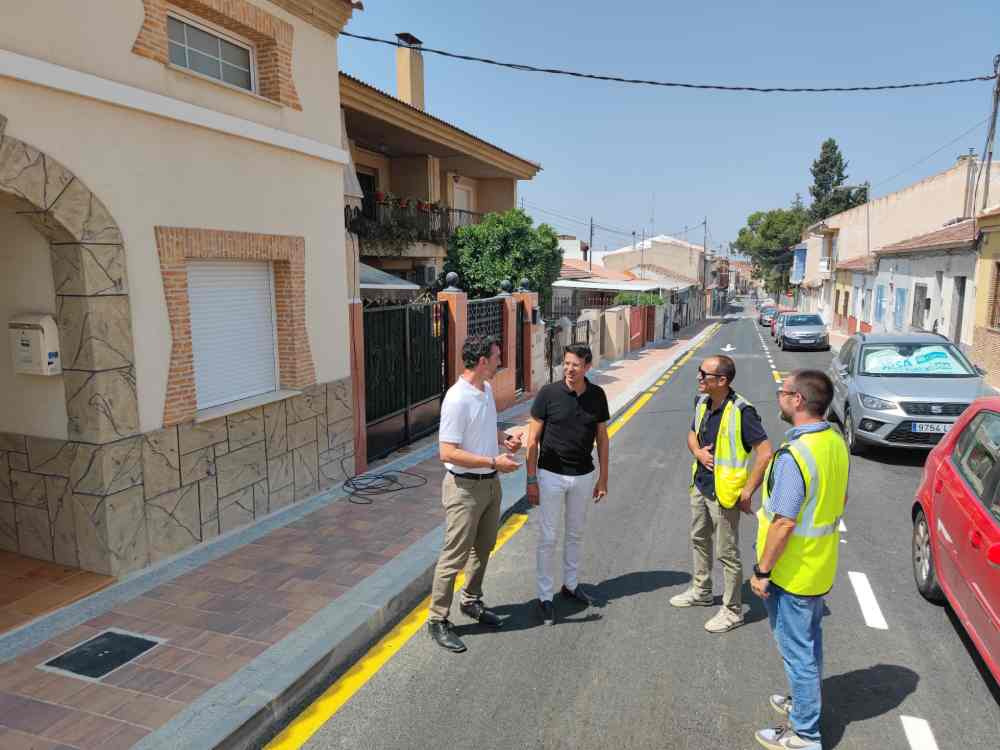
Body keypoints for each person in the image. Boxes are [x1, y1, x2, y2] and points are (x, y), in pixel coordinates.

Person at [751, 370, 848, 750]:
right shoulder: (834, 441)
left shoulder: (795, 456)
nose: (779, 396)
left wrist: (762, 570)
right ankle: (803, 702)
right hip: (818, 566)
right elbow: (840, 499)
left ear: (798, 400)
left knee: (797, 653)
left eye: (783, 391)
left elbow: (784, 522)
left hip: (792, 572)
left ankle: (805, 733)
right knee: (809, 643)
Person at [428, 336, 523, 653]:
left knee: (484, 547)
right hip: (464, 490)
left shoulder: (486, 390)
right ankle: (437, 620)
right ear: (482, 361)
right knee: (454, 555)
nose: (500, 362)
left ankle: (470, 600)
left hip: (490, 485)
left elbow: (482, 430)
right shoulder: (457, 399)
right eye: (496, 357)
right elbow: (447, 452)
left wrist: (503, 438)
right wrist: (493, 462)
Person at [671, 355, 773, 633]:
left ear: (722, 380)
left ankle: (732, 610)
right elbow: (692, 434)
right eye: (699, 371)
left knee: (727, 553)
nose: (699, 377)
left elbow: (765, 453)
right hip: (700, 485)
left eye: (704, 374)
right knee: (699, 538)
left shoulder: (742, 411)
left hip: (726, 494)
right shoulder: (702, 402)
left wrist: (748, 491)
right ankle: (702, 590)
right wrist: (698, 452)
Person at [525, 343, 610, 625]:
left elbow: (602, 438)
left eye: (576, 364)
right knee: (548, 537)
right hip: (550, 474)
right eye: (567, 363)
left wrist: (603, 477)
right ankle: (544, 596)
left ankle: (571, 585)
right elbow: (532, 440)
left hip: (583, 475)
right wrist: (531, 480)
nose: (569, 369)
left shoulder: (597, 396)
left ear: (588, 367)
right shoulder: (548, 394)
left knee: (575, 533)